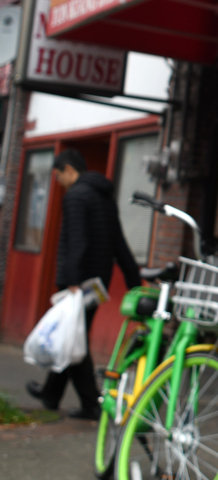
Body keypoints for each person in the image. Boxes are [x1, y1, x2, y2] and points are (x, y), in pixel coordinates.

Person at [26, 147, 142, 420]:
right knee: (73, 334)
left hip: (80, 283)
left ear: (68, 170)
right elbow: (119, 243)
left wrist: (72, 281)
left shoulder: (76, 196)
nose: (58, 182)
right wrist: (133, 281)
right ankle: (51, 394)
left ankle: (91, 403)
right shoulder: (104, 197)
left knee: (75, 337)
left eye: (58, 177)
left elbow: (77, 240)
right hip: (98, 283)